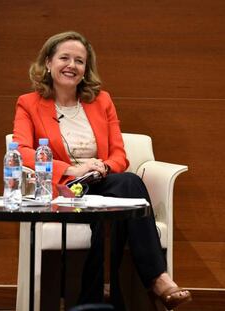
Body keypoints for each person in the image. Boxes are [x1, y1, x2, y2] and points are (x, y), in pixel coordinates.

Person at [12, 31, 192, 310]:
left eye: (80, 61)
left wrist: (102, 166)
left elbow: (119, 154)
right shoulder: (29, 103)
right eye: (64, 58)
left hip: (101, 181)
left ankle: (145, 283)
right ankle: (125, 291)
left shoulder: (101, 100)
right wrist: (73, 169)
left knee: (127, 183)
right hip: (63, 188)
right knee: (108, 211)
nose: (72, 65)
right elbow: (22, 151)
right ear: (48, 62)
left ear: (86, 69)